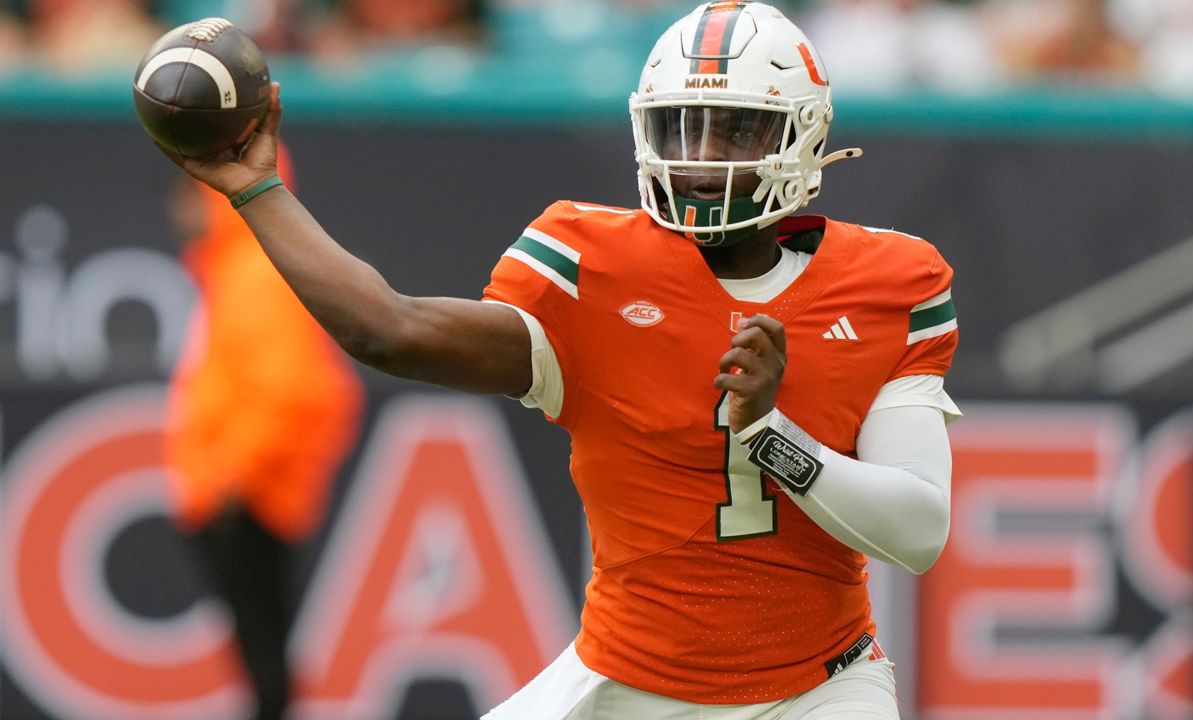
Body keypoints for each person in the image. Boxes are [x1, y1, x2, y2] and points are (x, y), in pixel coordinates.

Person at [156, 2, 959, 717]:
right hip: (625, 680)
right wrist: (258, 190)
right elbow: (389, 331)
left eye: (734, 129)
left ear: (805, 135)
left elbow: (919, 530)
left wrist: (770, 434)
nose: (701, 155)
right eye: (683, 125)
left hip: (820, 689)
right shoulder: (591, 265)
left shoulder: (889, 281)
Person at [165, 146, 364, 720]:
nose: (180, 211)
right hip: (245, 492)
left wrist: (234, 478)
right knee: (264, 658)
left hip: (251, 497)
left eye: (188, 194)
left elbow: (294, 389)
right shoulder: (238, 270)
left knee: (266, 666)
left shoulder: (256, 275)